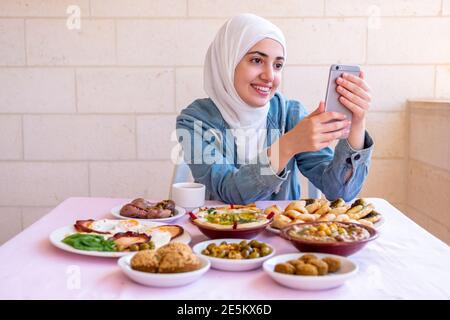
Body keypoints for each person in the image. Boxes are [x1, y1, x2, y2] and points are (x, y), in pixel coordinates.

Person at [176, 13, 374, 204]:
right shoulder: (194, 120)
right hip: (220, 236)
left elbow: (339, 192)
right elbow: (231, 191)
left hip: (285, 234)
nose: (270, 76)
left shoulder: (289, 113)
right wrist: (288, 145)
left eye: (278, 65)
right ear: (227, 61)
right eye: (256, 60)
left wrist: (357, 122)